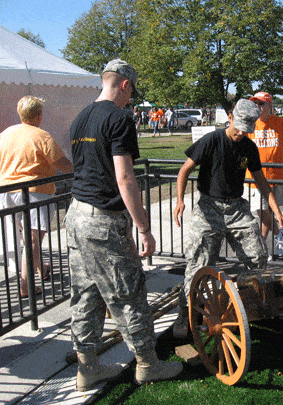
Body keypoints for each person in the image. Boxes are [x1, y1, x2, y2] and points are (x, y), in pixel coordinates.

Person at [66, 59, 183, 391]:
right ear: (125, 84)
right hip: (103, 220)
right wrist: (143, 228)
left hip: (76, 215)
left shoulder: (80, 118)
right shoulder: (119, 118)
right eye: (131, 92)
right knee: (128, 293)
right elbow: (125, 178)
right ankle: (148, 364)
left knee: (86, 295)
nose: (131, 99)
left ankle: (88, 368)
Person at [173, 99, 283, 335]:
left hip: (237, 208)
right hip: (209, 208)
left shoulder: (249, 147)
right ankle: (185, 311)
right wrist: (180, 200)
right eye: (239, 127)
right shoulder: (211, 140)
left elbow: (262, 183)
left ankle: (250, 304)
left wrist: (278, 214)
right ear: (230, 118)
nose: (241, 133)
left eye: (246, 130)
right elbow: (184, 170)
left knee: (258, 257)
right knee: (198, 264)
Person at [0, 96, 73, 299]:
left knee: (29, 237)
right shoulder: (42, 136)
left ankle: (41, 268)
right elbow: (63, 165)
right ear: (39, 115)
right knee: (33, 240)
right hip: (35, 192)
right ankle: (26, 286)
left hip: (7, 192)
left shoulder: (5, 134)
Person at [244, 92, 283, 258]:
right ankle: (277, 234)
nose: (258, 106)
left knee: (269, 214)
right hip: (255, 178)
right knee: (263, 213)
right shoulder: (250, 123)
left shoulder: (279, 122)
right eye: (255, 103)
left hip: (275, 176)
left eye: (261, 103)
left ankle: (263, 249)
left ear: (269, 105)